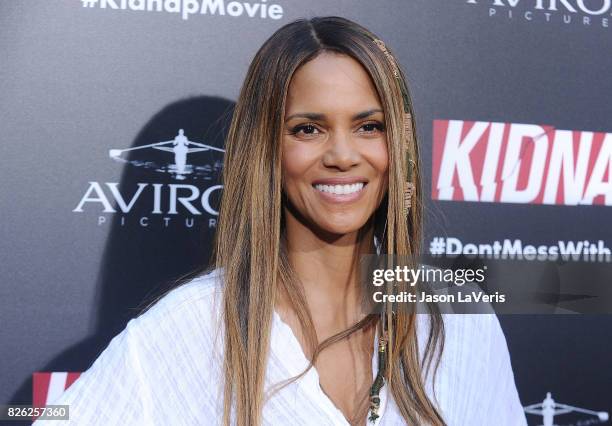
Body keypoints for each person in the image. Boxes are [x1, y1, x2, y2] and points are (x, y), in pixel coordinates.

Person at [34, 17, 527, 426]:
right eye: (308, 129)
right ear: (267, 147)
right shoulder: (188, 329)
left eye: (368, 126)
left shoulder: (456, 315)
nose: (342, 155)